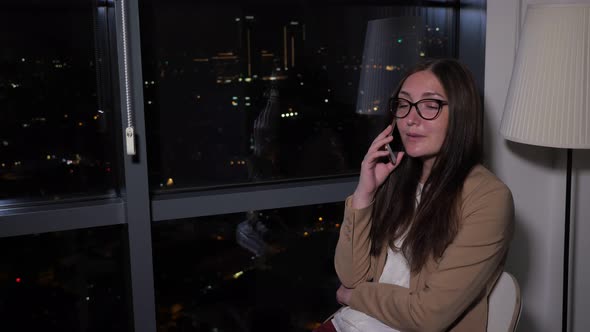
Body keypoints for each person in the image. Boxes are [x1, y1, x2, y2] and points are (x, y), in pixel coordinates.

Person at [314, 58, 514, 332]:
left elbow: (428, 315)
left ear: (460, 115)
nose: (410, 118)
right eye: (404, 104)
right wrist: (364, 194)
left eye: (430, 105)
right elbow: (350, 275)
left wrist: (354, 296)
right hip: (347, 324)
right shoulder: (396, 179)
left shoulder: (489, 198)